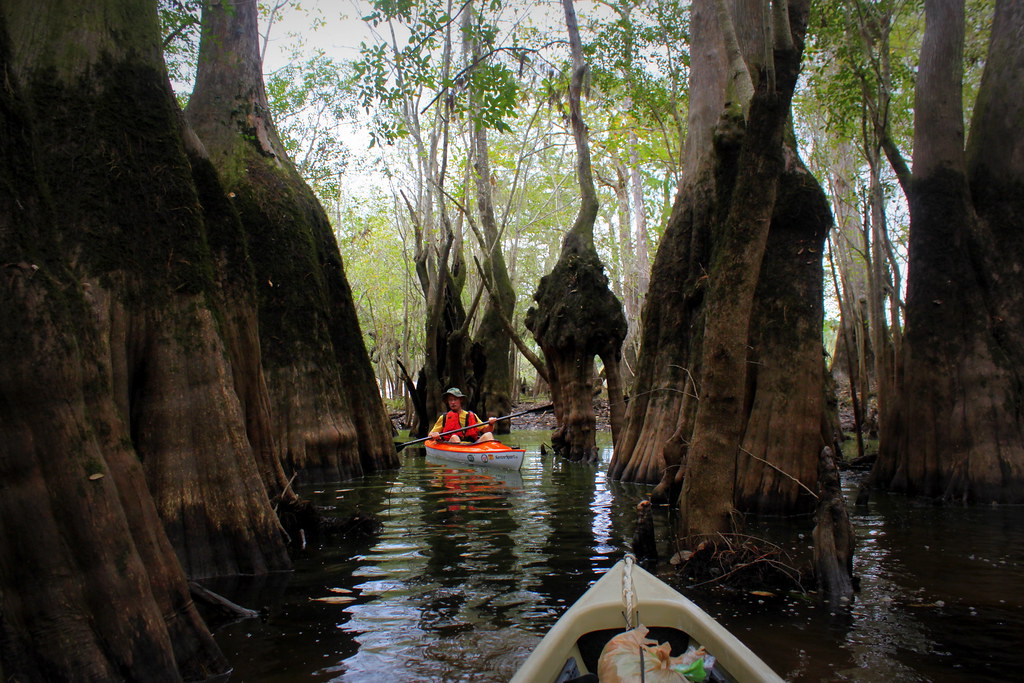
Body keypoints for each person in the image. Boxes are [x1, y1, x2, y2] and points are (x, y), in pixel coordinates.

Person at [428, 388, 497, 443]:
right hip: (454, 445)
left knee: (488, 435)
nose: (453, 402)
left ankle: (496, 455)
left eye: (455, 399)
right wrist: (434, 435)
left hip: (472, 445)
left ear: (460, 400)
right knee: (454, 437)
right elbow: (430, 435)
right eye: (450, 400)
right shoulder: (444, 418)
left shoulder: (471, 415)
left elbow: (486, 430)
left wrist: (491, 424)